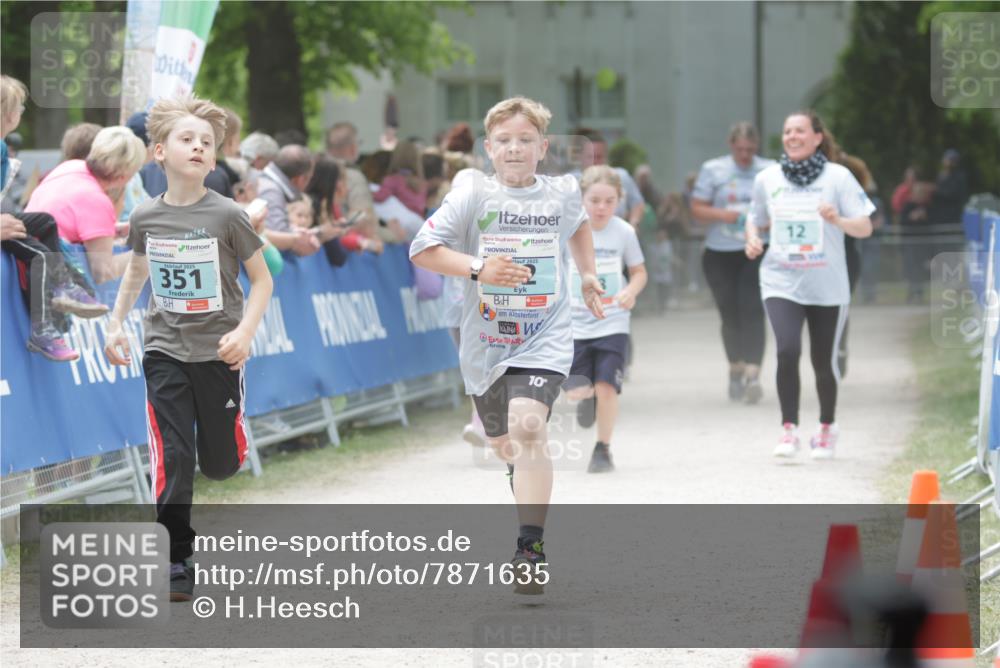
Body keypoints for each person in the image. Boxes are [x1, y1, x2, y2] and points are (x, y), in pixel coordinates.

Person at [410, 96, 604, 594]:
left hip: (544, 334)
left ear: (542, 147)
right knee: (507, 444)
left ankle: (529, 548)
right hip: (486, 342)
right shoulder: (472, 194)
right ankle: (522, 476)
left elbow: (579, 225)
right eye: (504, 141)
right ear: (488, 148)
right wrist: (480, 268)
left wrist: (587, 275)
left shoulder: (561, 192)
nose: (514, 149)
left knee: (529, 424)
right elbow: (423, 249)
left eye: (525, 140)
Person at [103, 95, 273, 602]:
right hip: (164, 348)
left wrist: (243, 333)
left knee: (218, 463)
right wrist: (116, 324)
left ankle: (230, 437)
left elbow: (261, 282)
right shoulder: (146, 215)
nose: (197, 147)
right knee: (174, 453)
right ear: (159, 152)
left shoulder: (228, 215)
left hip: (219, 353)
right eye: (187, 139)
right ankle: (176, 556)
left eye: (206, 143)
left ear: (214, 161)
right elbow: (137, 267)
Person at [744, 110, 874, 459]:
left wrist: (839, 219)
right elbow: (754, 220)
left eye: (800, 130)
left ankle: (827, 427)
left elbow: (865, 226)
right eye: (787, 131)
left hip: (827, 284)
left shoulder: (839, 177)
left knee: (822, 361)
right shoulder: (768, 178)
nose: (792, 137)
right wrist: (753, 239)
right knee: (786, 350)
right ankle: (789, 430)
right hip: (780, 279)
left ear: (817, 137)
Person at [1, 75, 107, 361]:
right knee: (40, 256)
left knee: (46, 221)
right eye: (20, 107)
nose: (23, 113)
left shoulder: (1, 149)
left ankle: (62, 287)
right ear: (7, 113)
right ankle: (42, 330)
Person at [563, 165, 646, 473]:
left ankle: (603, 449)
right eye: (594, 200)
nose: (601, 207)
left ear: (619, 201)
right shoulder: (567, 230)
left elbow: (638, 272)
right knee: (578, 390)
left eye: (609, 201)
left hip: (613, 320)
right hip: (574, 323)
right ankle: (586, 398)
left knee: (607, 386)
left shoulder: (624, 232)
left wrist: (632, 291)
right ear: (581, 199)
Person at [690, 122, 774, 403]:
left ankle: (753, 375)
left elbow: (779, 206)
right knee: (730, 312)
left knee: (752, 308)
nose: (745, 155)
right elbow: (697, 208)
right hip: (720, 251)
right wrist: (726, 215)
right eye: (740, 149)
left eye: (750, 150)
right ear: (730, 145)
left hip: (757, 248)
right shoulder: (714, 169)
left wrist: (763, 221)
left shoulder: (769, 169)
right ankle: (735, 368)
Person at [25, 125, 146, 283]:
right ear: (124, 177)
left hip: (25, 260)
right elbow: (103, 271)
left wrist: (113, 229)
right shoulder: (96, 200)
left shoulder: (69, 167)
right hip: (44, 279)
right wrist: (149, 255)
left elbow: (69, 220)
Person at [571, 126, 645, 226]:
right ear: (580, 157)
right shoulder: (570, 181)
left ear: (606, 157)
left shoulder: (621, 176)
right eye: (590, 156)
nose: (595, 161)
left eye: (599, 157)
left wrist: (633, 224)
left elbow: (637, 203)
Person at [257, 144, 321, 256]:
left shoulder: (265, 182)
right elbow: (277, 233)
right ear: (300, 179)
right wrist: (298, 238)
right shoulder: (272, 192)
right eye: (309, 179)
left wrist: (294, 231)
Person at [372, 140, 426, 216]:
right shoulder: (421, 182)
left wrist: (368, 192)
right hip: (418, 221)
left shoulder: (393, 179)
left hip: (400, 222)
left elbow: (380, 197)